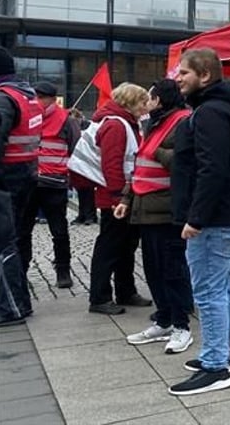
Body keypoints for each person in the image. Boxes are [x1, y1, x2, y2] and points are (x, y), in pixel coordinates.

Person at [169, 48, 230, 396]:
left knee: (208, 292)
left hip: (215, 219)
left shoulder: (210, 113)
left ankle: (216, 365)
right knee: (223, 288)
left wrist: (196, 218)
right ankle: (221, 356)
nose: (177, 78)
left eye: (184, 73)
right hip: (229, 215)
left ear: (204, 76)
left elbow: (212, 169)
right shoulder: (224, 107)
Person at [118, 80, 194, 354]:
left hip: (167, 211)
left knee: (171, 270)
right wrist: (126, 199)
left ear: (159, 100)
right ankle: (163, 320)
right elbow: (140, 165)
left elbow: (184, 162)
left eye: (149, 98)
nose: (146, 104)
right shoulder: (156, 124)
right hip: (146, 207)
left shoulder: (183, 122)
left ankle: (181, 326)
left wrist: (156, 152)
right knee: (153, 269)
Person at [88, 82, 153, 315]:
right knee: (110, 246)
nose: (146, 107)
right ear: (131, 102)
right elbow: (112, 165)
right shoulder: (116, 125)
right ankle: (100, 297)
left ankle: (126, 291)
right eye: (143, 102)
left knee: (126, 245)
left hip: (124, 195)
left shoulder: (124, 123)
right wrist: (118, 198)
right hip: (116, 197)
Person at [20, 82, 80, 288]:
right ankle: (21, 270)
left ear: (52, 99)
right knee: (23, 230)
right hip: (28, 182)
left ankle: (63, 271)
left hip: (55, 183)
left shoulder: (66, 120)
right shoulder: (25, 117)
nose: (36, 101)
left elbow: (75, 149)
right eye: (34, 96)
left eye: (40, 97)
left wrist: (70, 177)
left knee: (59, 230)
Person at [0, 47, 39, 326]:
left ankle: (11, 306)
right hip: (25, 175)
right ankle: (18, 301)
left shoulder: (2, 98)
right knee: (17, 239)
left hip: (5, 179)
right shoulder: (27, 95)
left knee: (3, 243)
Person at [69, 108, 98, 226]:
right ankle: (82, 214)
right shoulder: (73, 128)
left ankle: (90, 215)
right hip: (77, 164)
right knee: (80, 191)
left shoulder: (90, 128)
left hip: (88, 163)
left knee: (89, 191)